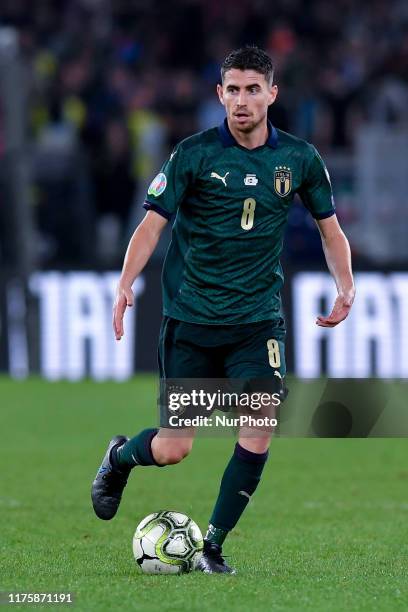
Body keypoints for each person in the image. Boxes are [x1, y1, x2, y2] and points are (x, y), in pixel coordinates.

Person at [91, 46, 355, 574]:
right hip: (192, 321)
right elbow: (151, 226)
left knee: (260, 423)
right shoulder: (192, 155)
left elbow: (331, 230)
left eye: (252, 89)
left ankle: (212, 546)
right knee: (173, 449)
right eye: (232, 89)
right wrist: (125, 282)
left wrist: (345, 285)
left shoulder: (300, 160)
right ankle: (120, 457)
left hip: (257, 322)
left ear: (272, 94)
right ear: (219, 94)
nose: (241, 100)